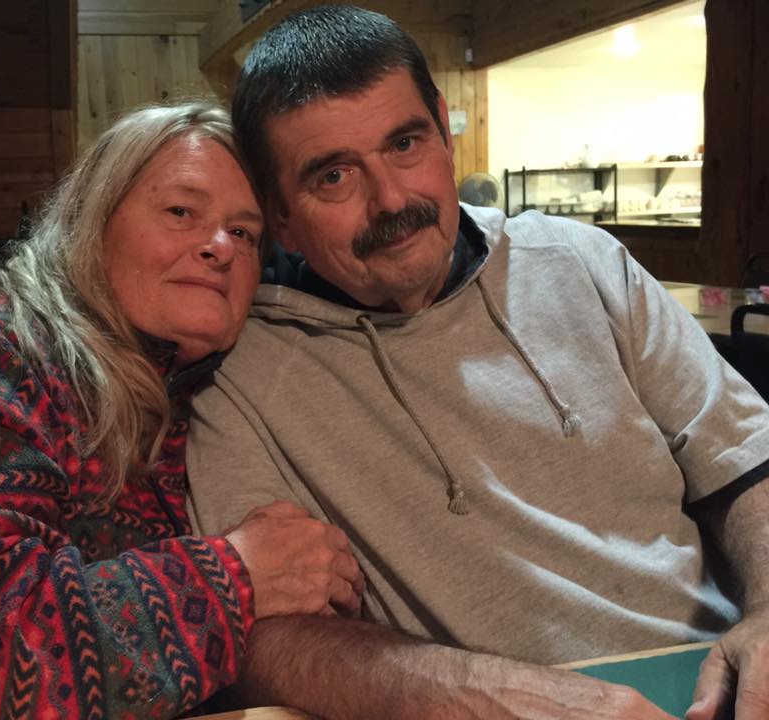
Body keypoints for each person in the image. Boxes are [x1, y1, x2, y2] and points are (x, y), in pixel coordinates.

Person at [185, 7, 769, 720]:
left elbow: (747, 460)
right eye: (334, 175)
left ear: (442, 126)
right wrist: (507, 697)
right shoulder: (240, 374)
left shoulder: (581, 262)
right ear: (278, 214)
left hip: (721, 679)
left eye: (405, 143)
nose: (392, 200)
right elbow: (260, 643)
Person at [0, 102, 363, 719]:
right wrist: (234, 575)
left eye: (243, 233)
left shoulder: (200, 386)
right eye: (181, 212)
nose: (219, 247)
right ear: (92, 224)